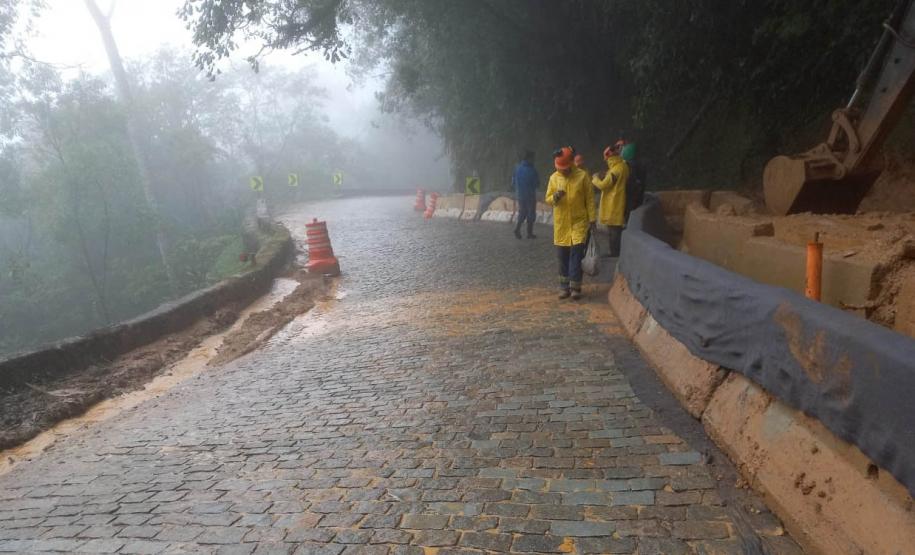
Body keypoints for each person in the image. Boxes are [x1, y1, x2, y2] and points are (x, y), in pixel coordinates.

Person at [545, 146, 595, 300]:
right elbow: (548, 199)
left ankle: (575, 288)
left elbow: (590, 199)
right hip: (561, 225)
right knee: (562, 257)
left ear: (572, 164)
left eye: (565, 169)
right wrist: (555, 197)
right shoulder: (554, 178)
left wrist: (592, 219)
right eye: (560, 169)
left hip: (579, 223)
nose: (563, 172)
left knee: (576, 255)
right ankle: (563, 287)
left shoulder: (582, 176)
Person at [592, 141, 629, 257]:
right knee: (615, 230)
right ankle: (615, 252)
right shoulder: (623, 166)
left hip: (613, 204)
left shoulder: (615, 170)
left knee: (613, 231)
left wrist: (595, 179)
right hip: (618, 202)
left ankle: (614, 253)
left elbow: (604, 185)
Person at [512, 149, 539, 239]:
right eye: (533, 158)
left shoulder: (517, 168)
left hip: (520, 195)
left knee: (522, 212)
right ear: (529, 158)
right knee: (531, 214)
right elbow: (536, 183)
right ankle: (529, 233)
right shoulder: (532, 170)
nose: (534, 160)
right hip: (530, 195)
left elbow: (513, 182)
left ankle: (517, 228)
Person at [621, 142, 646, 221]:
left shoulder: (630, 165)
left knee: (630, 208)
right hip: (637, 191)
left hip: (632, 192)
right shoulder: (640, 163)